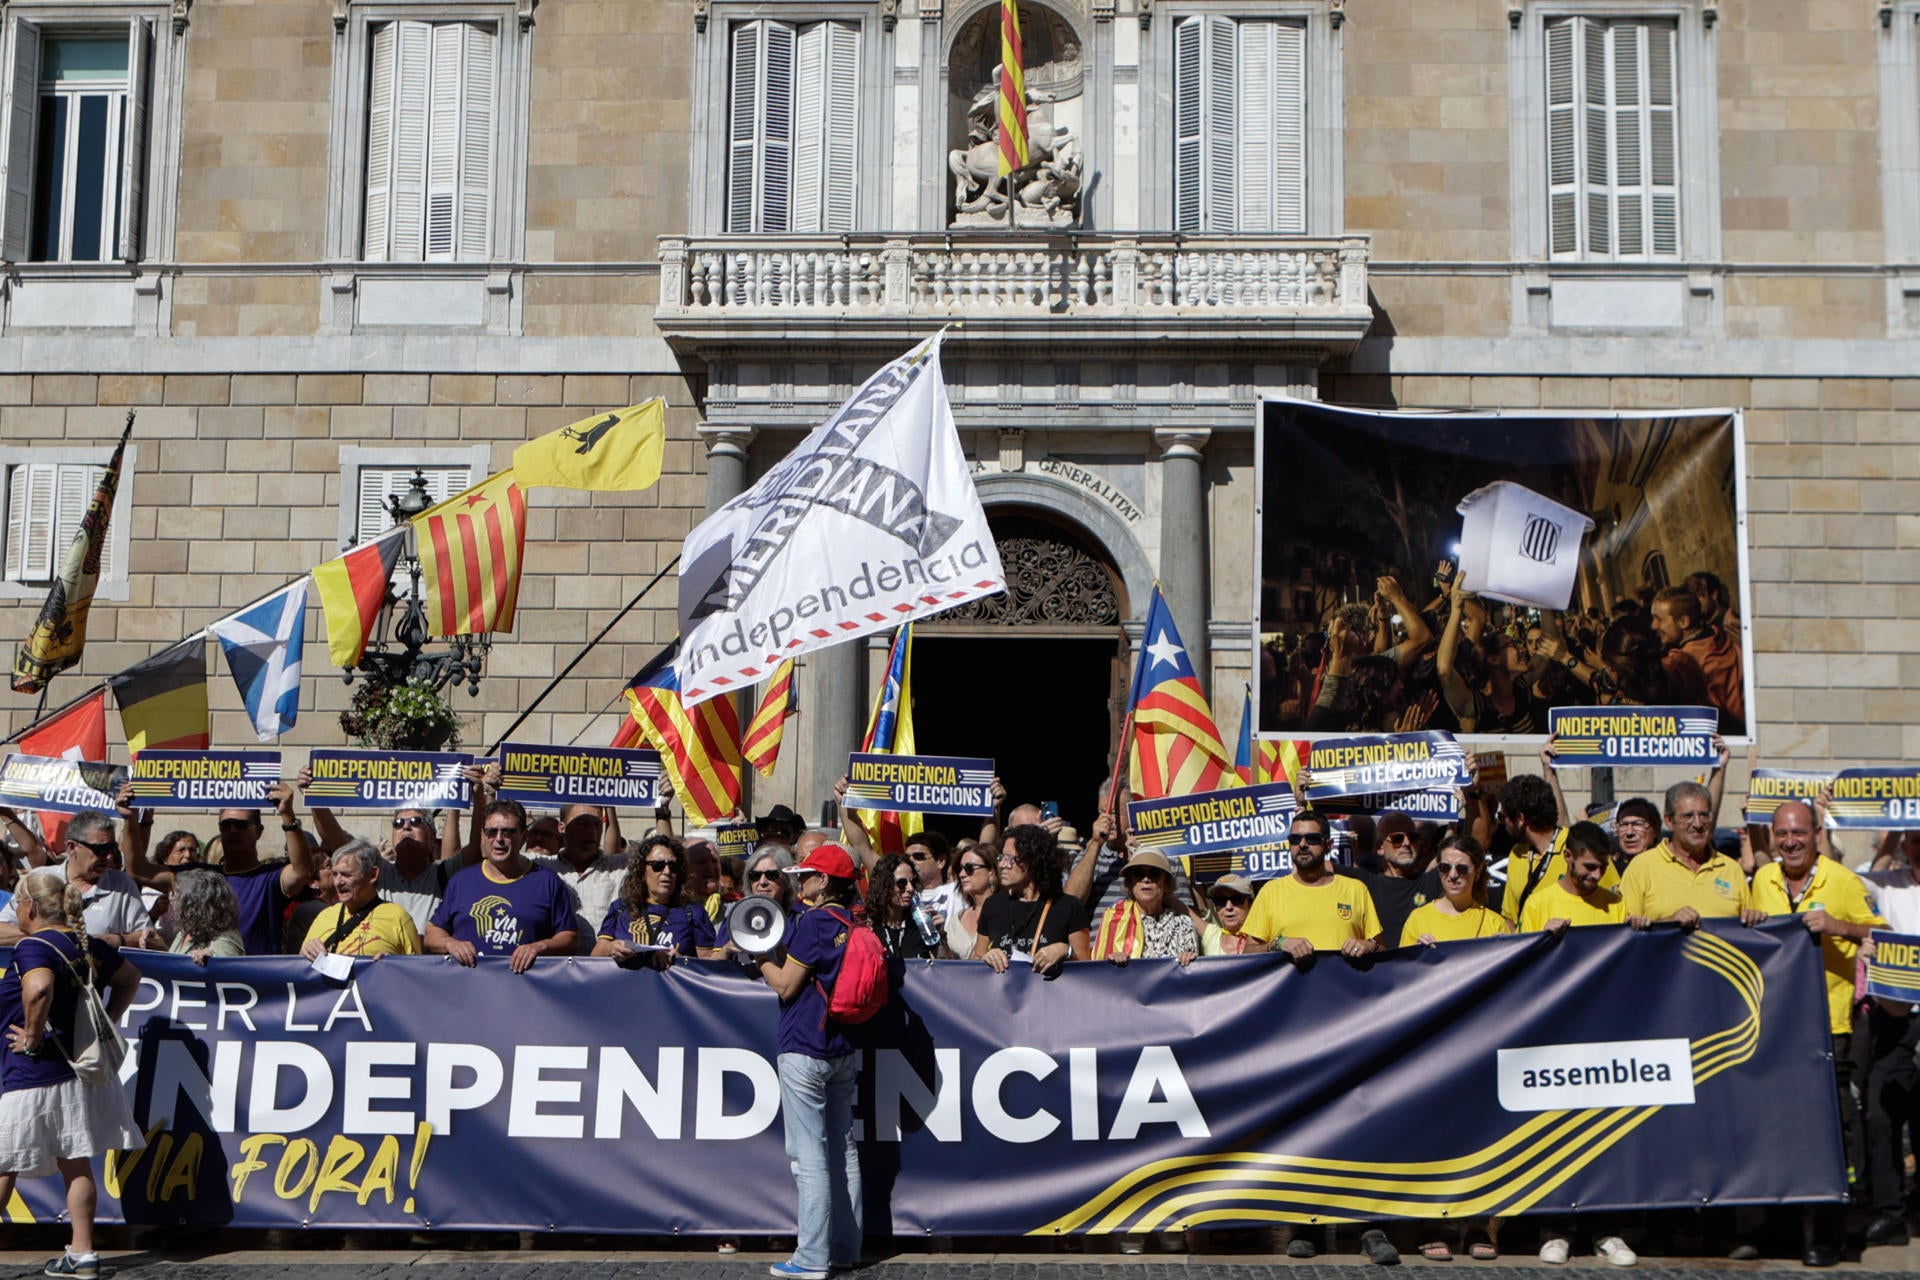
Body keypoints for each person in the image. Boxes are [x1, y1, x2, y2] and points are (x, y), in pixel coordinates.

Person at [1749, 799, 1880, 1268]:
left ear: (1817, 833)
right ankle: (1780, 1227)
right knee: (1779, 1131)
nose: (1790, 842)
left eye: (1799, 833)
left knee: (1831, 1136)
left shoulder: (1844, 882)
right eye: (1782, 835)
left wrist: (1839, 926)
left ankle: (1828, 1234)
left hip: (1831, 1030)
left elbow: (1883, 944)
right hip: (1776, 1030)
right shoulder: (1763, 881)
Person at [0, 868, 145, 1280]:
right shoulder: (84, 943)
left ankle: (81, 1254)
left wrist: (31, 1036)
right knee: (76, 1164)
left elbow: (39, 988)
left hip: (33, 1072)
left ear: (29, 906)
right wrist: (109, 1022)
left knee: (2, 1162)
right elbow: (130, 976)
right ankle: (82, 1254)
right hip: (77, 1073)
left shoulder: (33, 946)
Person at [754, 843, 865, 1279]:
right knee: (843, 1149)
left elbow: (785, 986)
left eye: (807, 875)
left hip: (805, 1045)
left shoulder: (816, 920)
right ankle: (844, 1249)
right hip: (840, 1047)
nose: (800, 882)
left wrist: (761, 956)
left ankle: (812, 1258)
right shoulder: (851, 920)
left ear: (824, 882)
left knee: (809, 1156)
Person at [123, 783, 315, 955]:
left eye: (240, 825)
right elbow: (137, 870)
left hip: (258, 985)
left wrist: (288, 816)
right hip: (207, 979)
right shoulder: (200, 875)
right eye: (226, 825)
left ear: (258, 831)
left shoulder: (270, 876)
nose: (232, 830)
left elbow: (302, 871)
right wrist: (131, 819)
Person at [425, 800, 578, 972]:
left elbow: (569, 938)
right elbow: (432, 933)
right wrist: (450, 943)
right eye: (491, 832)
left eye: (508, 832)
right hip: (468, 988)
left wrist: (540, 947)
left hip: (526, 990)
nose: (499, 839)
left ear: (523, 836)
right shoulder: (461, 880)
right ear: (482, 836)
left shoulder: (547, 881)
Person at [306, 773, 466, 933]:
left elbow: (475, 848)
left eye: (415, 821)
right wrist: (314, 795)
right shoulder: (381, 871)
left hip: (432, 958)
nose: (405, 827)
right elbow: (337, 841)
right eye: (398, 823)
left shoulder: (443, 874)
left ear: (432, 838)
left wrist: (474, 796)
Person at [1861, 827, 1920, 1247]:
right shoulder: (1888, 883)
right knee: (1881, 1114)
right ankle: (1890, 1212)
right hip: (1897, 1017)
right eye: (1914, 838)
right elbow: (1865, 879)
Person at [0, 810, 158, 950]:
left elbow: (153, 941)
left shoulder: (121, 885)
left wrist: (115, 940)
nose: (109, 856)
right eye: (100, 850)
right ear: (72, 846)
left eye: (111, 848)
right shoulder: (39, 878)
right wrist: (54, 937)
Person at [1619, 782, 1765, 929]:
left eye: (1704, 815)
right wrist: (1670, 923)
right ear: (1669, 821)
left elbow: (1749, 932)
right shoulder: (1641, 867)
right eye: (1688, 816)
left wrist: (1753, 918)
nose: (1697, 823)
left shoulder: (1731, 869)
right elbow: (1624, 933)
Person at [1242, 811, 1383, 959]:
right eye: (1295, 839)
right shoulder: (1270, 892)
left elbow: (1382, 950)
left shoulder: (1356, 890)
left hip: (1342, 982)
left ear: (1328, 845)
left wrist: (1370, 946)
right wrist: (1277, 944)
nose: (1302, 844)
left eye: (1312, 839)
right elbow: (1247, 954)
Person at [1497, 774, 1616, 926]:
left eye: (1503, 816)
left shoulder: (1579, 846)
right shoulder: (1517, 853)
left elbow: (1613, 905)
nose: (1502, 823)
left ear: (1520, 819)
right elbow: (1510, 918)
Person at [974, 823, 1091, 976]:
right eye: (1001, 857)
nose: (1002, 865)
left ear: (1033, 861)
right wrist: (986, 958)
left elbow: (1088, 968)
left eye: (1011, 859)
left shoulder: (1067, 906)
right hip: (1004, 996)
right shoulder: (994, 905)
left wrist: (1066, 951)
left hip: (1049, 995)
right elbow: (976, 960)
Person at [594, 833, 719, 964]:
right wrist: (611, 947)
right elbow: (594, 958)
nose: (667, 872)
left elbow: (708, 965)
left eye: (673, 866)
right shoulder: (620, 907)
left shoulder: (694, 912)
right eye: (658, 865)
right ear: (642, 870)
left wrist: (682, 961)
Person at [300, 840, 424, 960]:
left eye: (346, 875)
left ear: (372, 875)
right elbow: (300, 969)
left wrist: (393, 965)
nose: (338, 882)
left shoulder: (399, 918)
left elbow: (416, 972)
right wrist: (306, 951)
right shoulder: (324, 916)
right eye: (334, 874)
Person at [1649, 586, 1745, 733]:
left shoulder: (1680, 662)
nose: (1653, 626)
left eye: (1659, 619)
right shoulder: (1720, 635)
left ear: (1683, 622)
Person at [1092, 849, 1201, 965]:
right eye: (1139, 874)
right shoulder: (1114, 918)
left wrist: (1188, 958)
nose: (1146, 879)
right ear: (1130, 883)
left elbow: (1190, 973)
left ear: (1166, 883)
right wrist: (1113, 961)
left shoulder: (1183, 923)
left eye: (1154, 874)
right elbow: (1100, 972)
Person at [1518, 824, 1626, 935]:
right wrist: (1544, 937)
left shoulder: (1616, 904)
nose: (1597, 875)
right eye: (1590, 867)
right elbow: (1524, 951)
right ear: (1568, 856)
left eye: (1603, 867)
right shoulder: (1536, 905)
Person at [1401, 837, 1509, 945]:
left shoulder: (1495, 924)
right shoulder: (1418, 919)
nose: (1453, 875)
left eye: (1461, 868)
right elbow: (1402, 961)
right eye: (1445, 867)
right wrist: (1417, 953)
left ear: (1477, 872)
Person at [863, 854, 940, 959]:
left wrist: (942, 937)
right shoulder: (867, 927)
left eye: (913, 882)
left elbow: (945, 968)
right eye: (902, 883)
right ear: (884, 884)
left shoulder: (920, 925)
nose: (910, 888)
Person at [165, 868, 247, 963]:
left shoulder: (223, 941)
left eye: (175, 894)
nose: (171, 899)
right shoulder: (185, 932)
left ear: (192, 904)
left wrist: (214, 959)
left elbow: (233, 973)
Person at [944, 845, 997, 961]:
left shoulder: (1006, 912)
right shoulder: (956, 920)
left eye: (969, 868)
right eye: (960, 869)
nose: (962, 874)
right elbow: (947, 964)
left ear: (991, 872)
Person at [1200, 875, 1267, 955]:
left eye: (1236, 899)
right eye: (1221, 901)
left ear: (1250, 904)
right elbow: (1184, 909)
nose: (1229, 907)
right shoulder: (1210, 934)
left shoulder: (1267, 937)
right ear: (1214, 906)